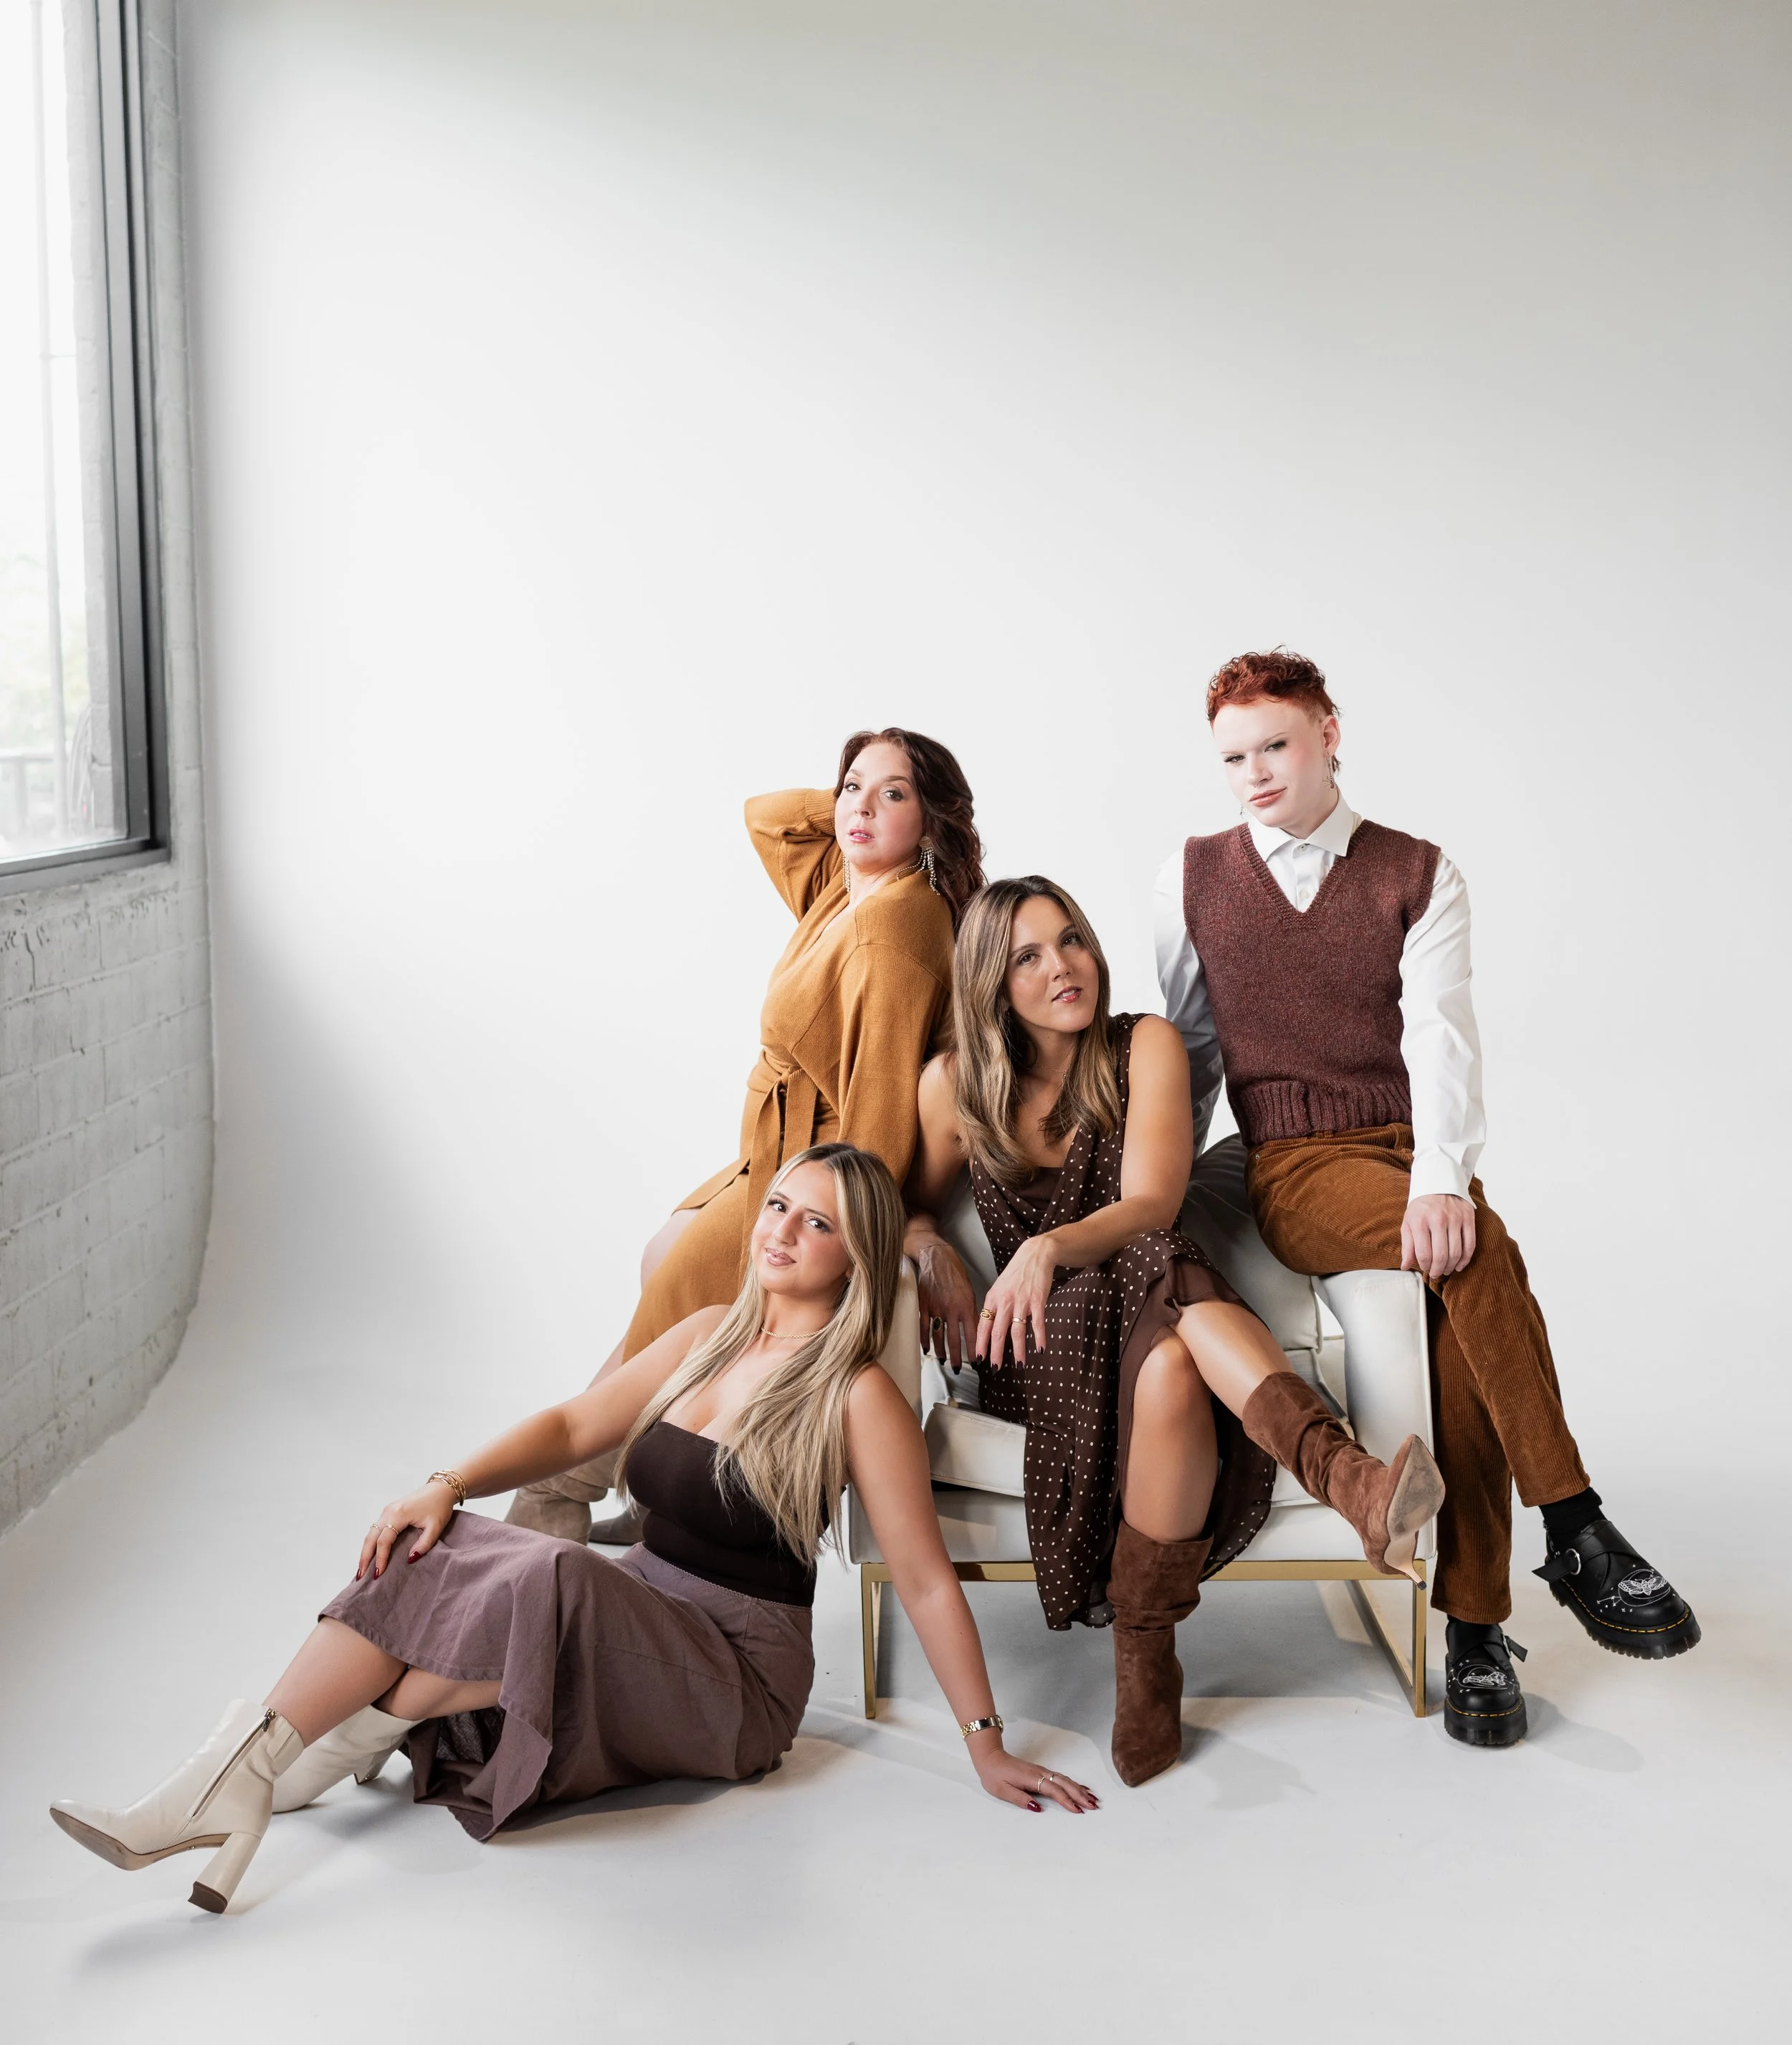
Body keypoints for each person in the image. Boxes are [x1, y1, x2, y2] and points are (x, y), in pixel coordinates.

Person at [48, 1145, 1098, 1915]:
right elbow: (570, 1425)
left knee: (538, 1574)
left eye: (814, 1221)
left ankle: (260, 1774)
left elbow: (920, 1577)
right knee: (440, 1543)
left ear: (855, 1252)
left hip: (735, 1673)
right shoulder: (702, 1337)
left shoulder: (856, 1392)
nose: (778, 1229)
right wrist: (443, 1480)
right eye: (776, 1205)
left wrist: (986, 1746)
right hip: (633, 1607)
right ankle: (238, 1781)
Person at [1157, 647, 1699, 1749]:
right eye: (1233, 757)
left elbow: (1440, 1034)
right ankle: (1579, 1525)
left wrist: (1442, 1175)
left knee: (1462, 1308)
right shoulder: (1194, 878)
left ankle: (1474, 1630)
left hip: (1414, 1146)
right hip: (1300, 1168)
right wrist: (1154, 1193)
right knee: (1476, 1250)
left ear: (1329, 735)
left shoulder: (1418, 870)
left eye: (1276, 745)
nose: (1256, 773)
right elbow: (1193, 1057)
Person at [903, 879, 1444, 1785]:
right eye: (1027, 956)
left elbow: (1149, 1198)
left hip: (1149, 1299)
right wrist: (930, 1249)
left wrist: (1046, 1245)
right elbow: (912, 1203)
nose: (1061, 966)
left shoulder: (1141, 1044)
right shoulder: (954, 1083)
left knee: (1168, 1341)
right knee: (1168, 1277)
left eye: (1070, 939)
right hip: (1043, 1347)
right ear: (992, 983)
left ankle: (1145, 1651)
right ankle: (1345, 1479)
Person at [509, 729, 983, 1547]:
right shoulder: (848, 882)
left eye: (894, 794)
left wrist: (843, 1215)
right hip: (770, 1150)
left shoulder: (894, 929)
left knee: (669, 1320)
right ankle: (659, 1496)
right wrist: (861, 798)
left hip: (813, 1164)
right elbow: (765, 818)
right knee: (666, 1261)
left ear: (934, 822)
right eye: (851, 787)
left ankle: (551, 1502)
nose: (860, 808)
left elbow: (875, 1114)